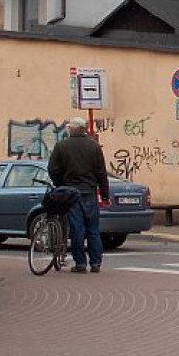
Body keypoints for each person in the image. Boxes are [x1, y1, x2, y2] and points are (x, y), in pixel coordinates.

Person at [48, 117, 110, 273]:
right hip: (90, 191)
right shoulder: (94, 146)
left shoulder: (62, 146)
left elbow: (53, 169)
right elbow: (101, 172)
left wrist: (59, 183)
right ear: (84, 129)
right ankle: (96, 263)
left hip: (71, 192)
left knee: (77, 228)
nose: (68, 130)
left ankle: (80, 263)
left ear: (74, 129)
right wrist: (104, 195)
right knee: (93, 229)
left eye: (70, 128)